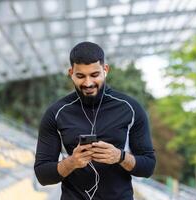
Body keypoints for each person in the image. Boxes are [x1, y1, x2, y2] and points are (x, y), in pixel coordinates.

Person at [34, 41, 156, 200]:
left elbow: (148, 167)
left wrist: (120, 157)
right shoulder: (56, 113)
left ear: (105, 70)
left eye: (94, 75)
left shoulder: (130, 108)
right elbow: (42, 175)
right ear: (71, 72)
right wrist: (71, 162)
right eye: (80, 76)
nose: (88, 83)